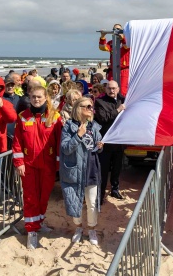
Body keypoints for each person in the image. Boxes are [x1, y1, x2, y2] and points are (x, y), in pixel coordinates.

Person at [13, 86, 62, 249]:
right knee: (30, 198)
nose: (36, 99)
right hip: (29, 166)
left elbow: (59, 142)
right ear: (29, 97)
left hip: (47, 165)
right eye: (33, 97)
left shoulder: (55, 117)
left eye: (39, 97)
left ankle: (39, 223)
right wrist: (19, 163)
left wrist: (57, 164)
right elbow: (17, 142)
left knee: (43, 197)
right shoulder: (22, 117)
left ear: (45, 97)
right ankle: (31, 232)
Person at [60, 97, 104, 246]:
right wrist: (78, 135)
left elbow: (97, 147)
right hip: (75, 170)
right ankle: (78, 228)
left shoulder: (95, 126)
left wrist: (100, 145)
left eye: (91, 107)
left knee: (92, 203)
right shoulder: (69, 126)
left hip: (92, 168)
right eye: (87, 107)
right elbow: (65, 148)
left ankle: (92, 229)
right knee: (75, 201)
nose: (91, 109)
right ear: (79, 108)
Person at [94, 80, 126, 201]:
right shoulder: (100, 102)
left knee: (117, 168)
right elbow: (104, 118)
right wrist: (118, 110)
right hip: (105, 143)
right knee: (103, 170)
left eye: (114, 88)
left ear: (118, 89)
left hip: (119, 142)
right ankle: (100, 195)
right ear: (105, 89)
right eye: (109, 88)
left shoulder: (123, 100)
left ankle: (115, 189)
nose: (112, 91)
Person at [99, 24, 131, 96]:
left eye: (118, 30)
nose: (116, 31)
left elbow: (127, 46)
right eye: (115, 29)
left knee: (122, 90)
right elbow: (102, 47)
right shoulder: (111, 43)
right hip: (113, 70)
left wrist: (122, 38)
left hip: (124, 70)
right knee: (110, 88)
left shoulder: (127, 41)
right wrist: (103, 36)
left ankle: (123, 104)